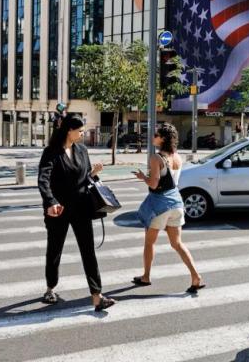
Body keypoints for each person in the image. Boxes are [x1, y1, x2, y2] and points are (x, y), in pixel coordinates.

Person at [37, 115, 116, 311]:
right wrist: (50, 201)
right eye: (79, 130)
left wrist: (93, 173)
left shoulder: (82, 150)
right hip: (59, 210)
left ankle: (97, 296)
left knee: (88, 251)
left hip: (81, 208)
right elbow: (43, 179)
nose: (82, 133)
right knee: (54, 250)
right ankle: (50, 288)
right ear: (68, 130)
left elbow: (84, 177)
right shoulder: (51, 152)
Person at [133, 123, 204, 294]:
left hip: (160, 206)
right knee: (177, 243)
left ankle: (146, 276)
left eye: (156, 134)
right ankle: (196, 276)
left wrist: (143, 177)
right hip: (177, 204)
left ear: (163, 138)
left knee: (149, 242)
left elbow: (154, 183)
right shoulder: (177, 157)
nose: (153, 137)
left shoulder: (156, 158)